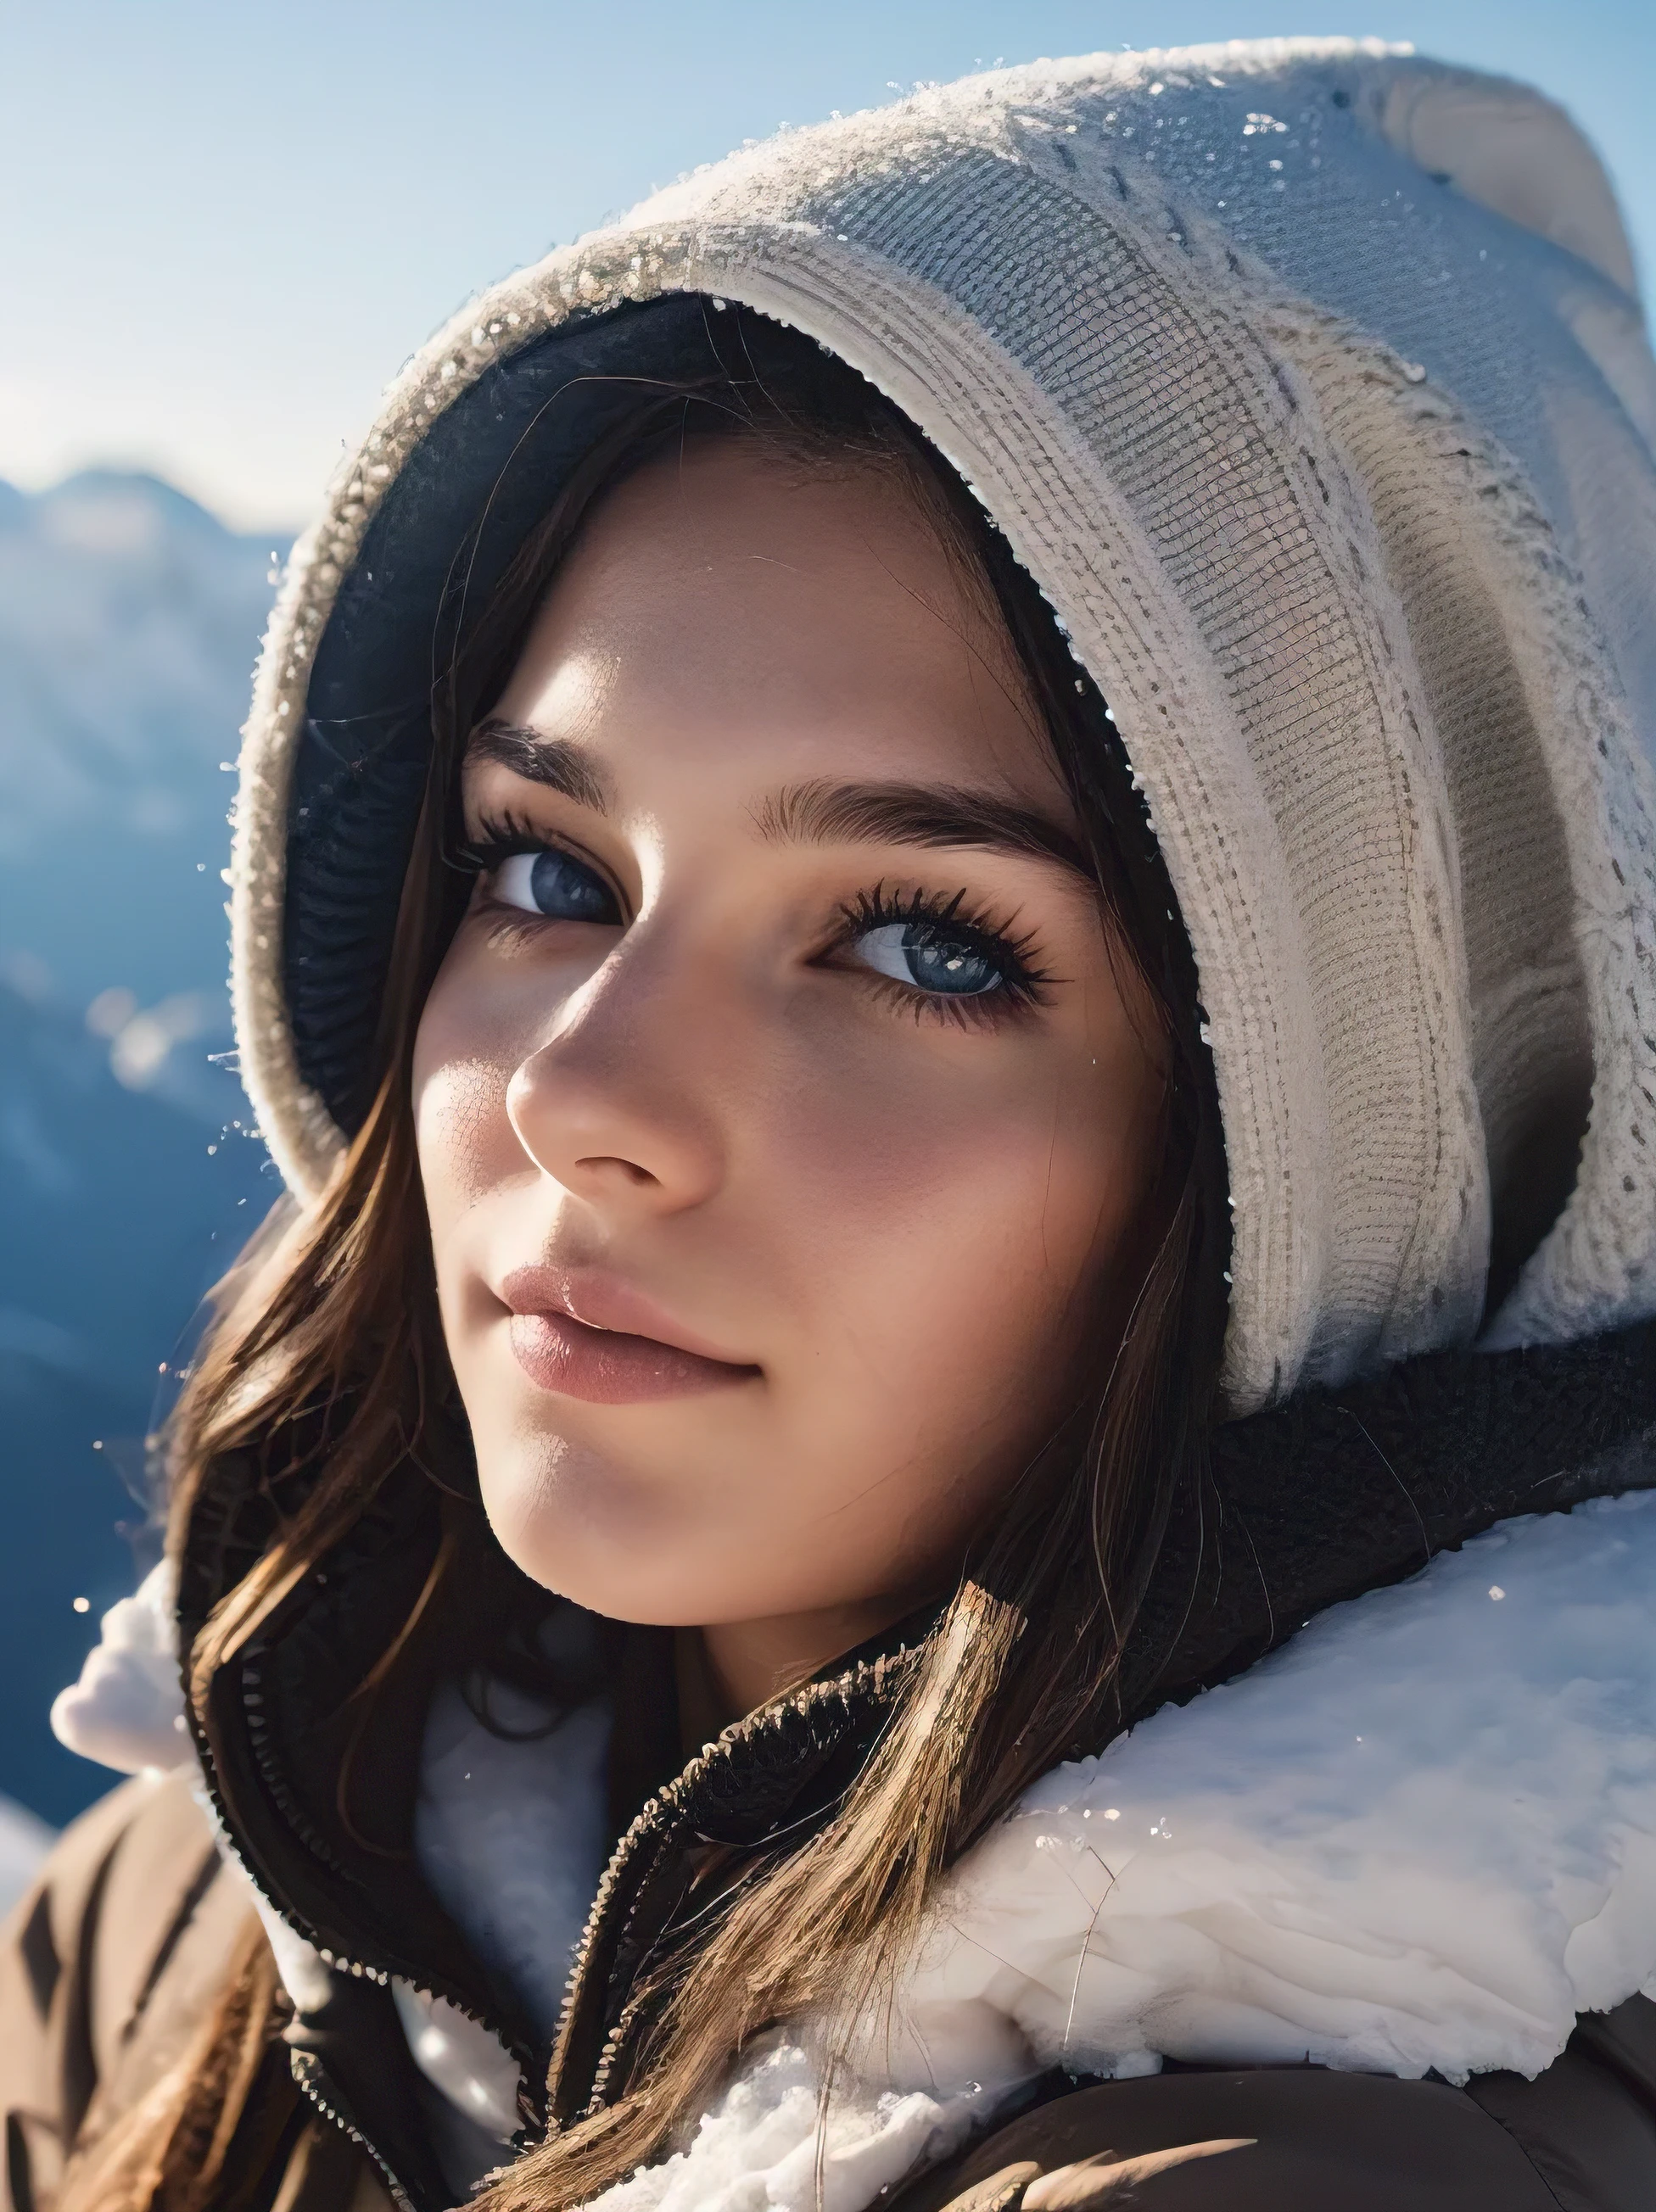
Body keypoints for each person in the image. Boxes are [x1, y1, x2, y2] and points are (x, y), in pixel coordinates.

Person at [7, 35, 1656, 2212]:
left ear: (1361, 1141)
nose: (583, 1091)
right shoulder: (206, 1906)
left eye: (926, 946)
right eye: (549, 870)